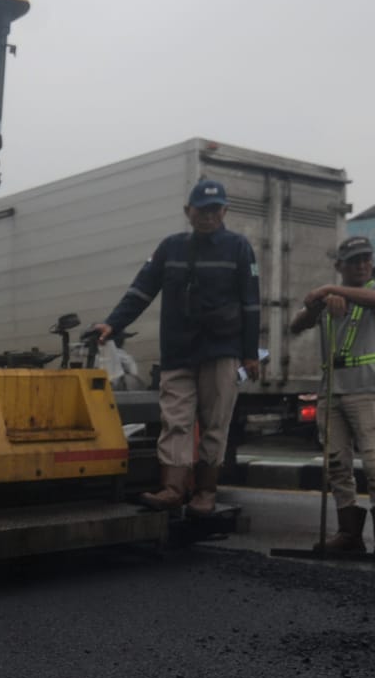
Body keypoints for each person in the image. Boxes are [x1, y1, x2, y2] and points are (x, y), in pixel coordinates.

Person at [90, 178, 261, 514]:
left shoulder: (239, 248)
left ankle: (206, 493)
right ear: (188, 211)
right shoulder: (171, 247)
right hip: (179, 352)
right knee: (176, 421)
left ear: (224, 211)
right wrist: (113, 324)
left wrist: (250, 354)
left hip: (221, 351)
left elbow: (251, 304)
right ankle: (172, 488)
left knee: (215, 424)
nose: (208, 216)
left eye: (215, 209)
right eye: (202, 209)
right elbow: (142, 289)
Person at [289, 236, 375, 560]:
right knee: (337, 464)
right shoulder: (329, 299)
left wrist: (331, 291)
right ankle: (349, 533)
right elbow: (297, 325)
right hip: (331, 391)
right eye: (354, 261)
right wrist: (316, 303)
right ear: (340, 266)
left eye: (366, 259)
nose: (362, 265)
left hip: (367, 390)